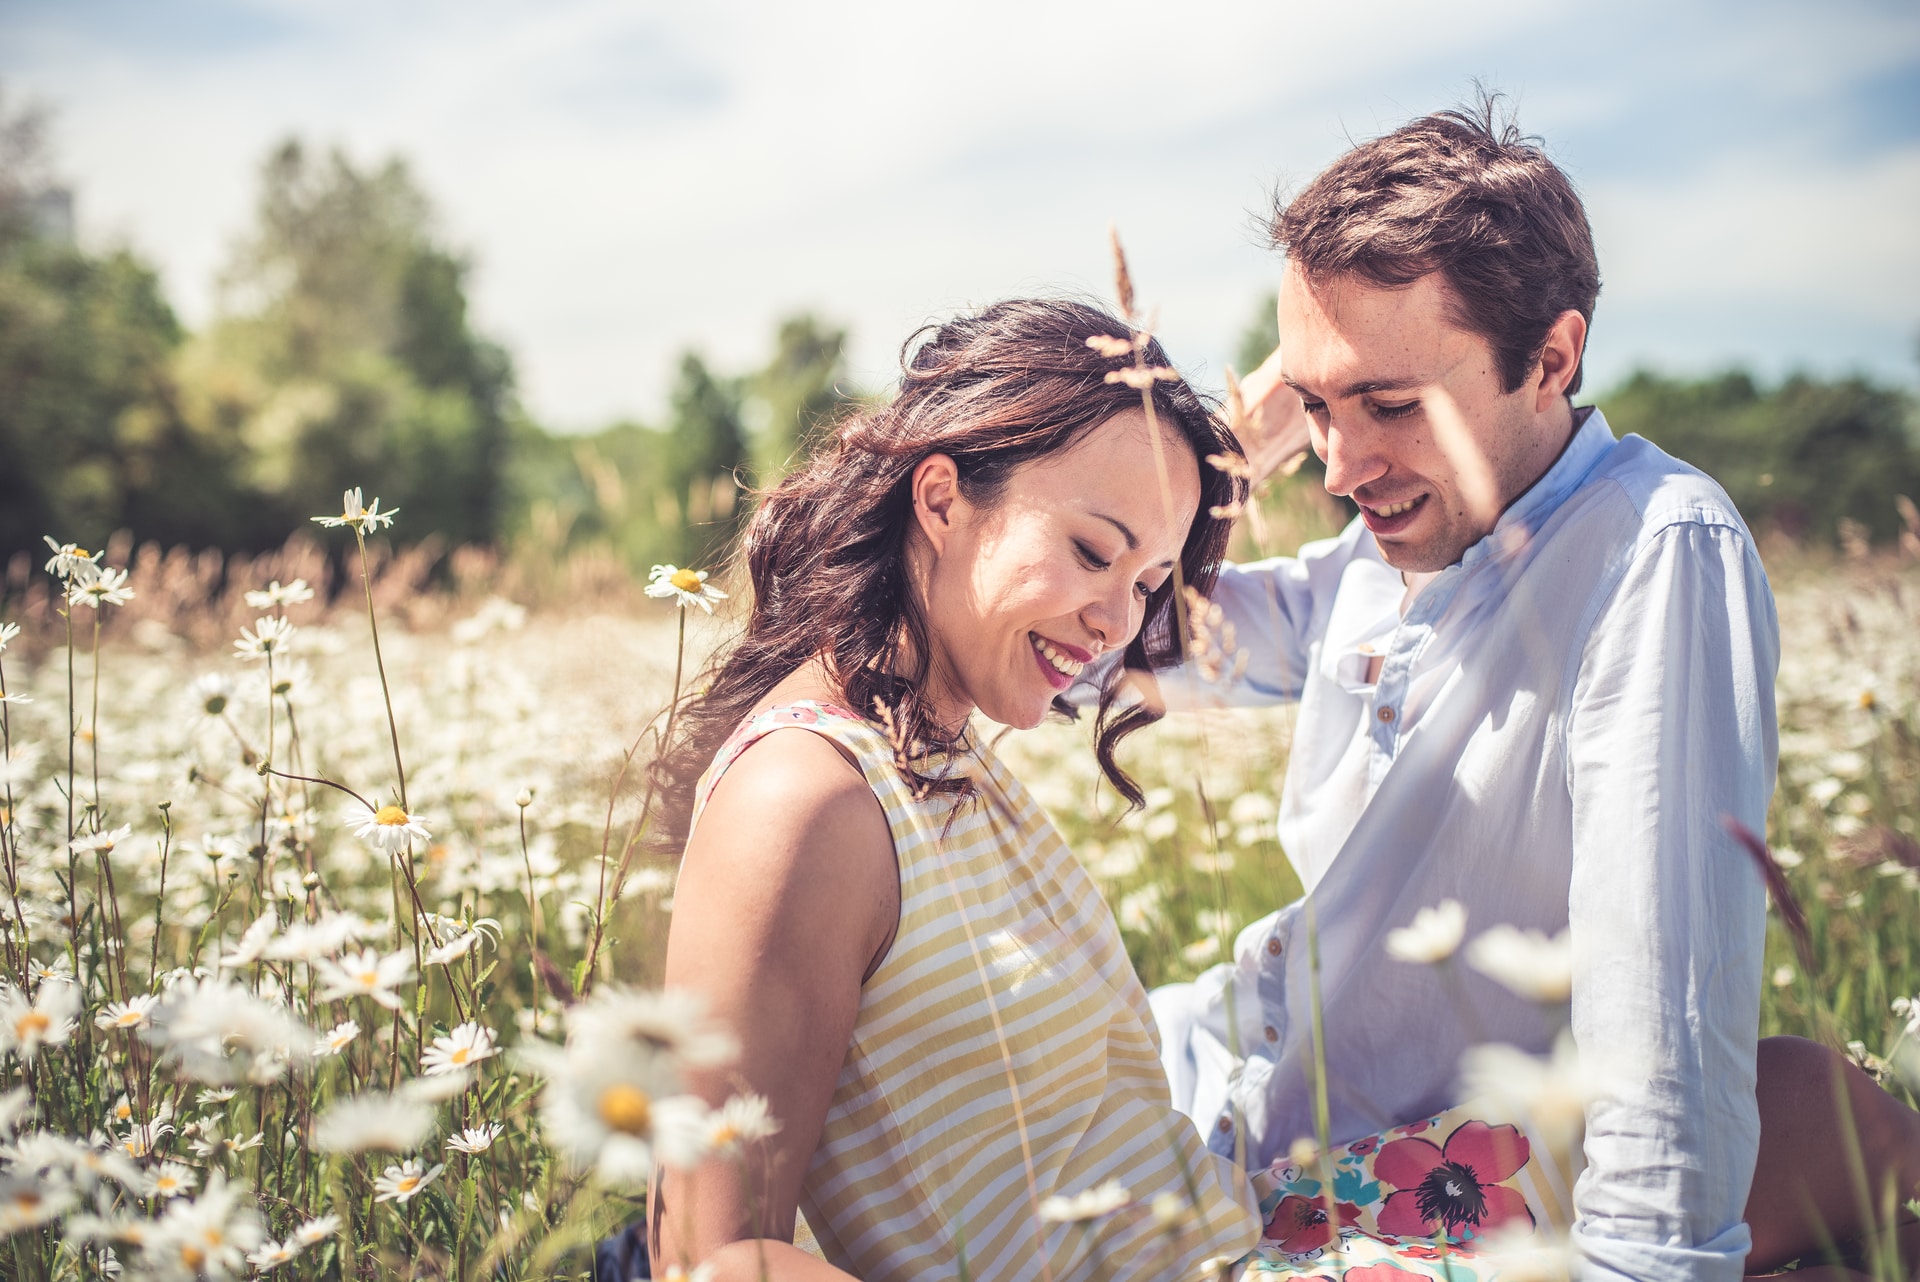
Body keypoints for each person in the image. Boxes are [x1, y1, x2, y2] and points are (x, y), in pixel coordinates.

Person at [636, 292, 1916, 1281]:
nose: (1118, 621)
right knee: (1813, 1149)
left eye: (1146, 580)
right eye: (1093, 548)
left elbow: (1153, 617)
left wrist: (1199, 440)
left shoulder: (927, 736)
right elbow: (717, 1254)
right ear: (941, 496)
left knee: (1808, 1102)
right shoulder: (804, 798)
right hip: (1238, 1254)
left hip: (1239, 1225)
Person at [1123, 100, 1920, 1279]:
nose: (1341, 470)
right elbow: (1107, 638)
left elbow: (1666, 1018)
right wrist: (1242, 440)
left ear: (1551, 359)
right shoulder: (1374, 554)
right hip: (1201, 1084)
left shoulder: (1653, 552)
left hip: (1404, 1175)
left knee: (1821, 1113)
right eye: (1322, 407)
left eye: (1390, 405)